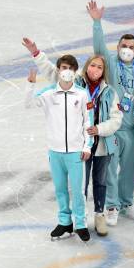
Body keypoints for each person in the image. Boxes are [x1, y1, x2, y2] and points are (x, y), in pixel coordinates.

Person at [21, 39, 122, 236]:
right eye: (92, 65)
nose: (95, 69)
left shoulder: (105, 92)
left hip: (98, 143)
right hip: (62, 148)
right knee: (72, 188)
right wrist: (36, 55)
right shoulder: (69, 85)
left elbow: (115, 119)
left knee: (99, 182)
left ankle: (96, 217)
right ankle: (69, 221)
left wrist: (97, 130)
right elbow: (51, 71)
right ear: (84, 68)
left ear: (104, 71)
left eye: (99, 67)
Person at [86, 0, 134, 225]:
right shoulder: (110, 64)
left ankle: (125, 201)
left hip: (132, 129)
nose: (127, 49)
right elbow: (99, 48)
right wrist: (97, 22)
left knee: (130, 170)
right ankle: (111, 205)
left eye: (131, 46)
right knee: (110, 169)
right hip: (112, 129)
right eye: (124, 45)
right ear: (118, 46)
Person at [24, 56, 92, 242]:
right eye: (64, 67)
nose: (67, 71)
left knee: (77, 191)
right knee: (60, 189)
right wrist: (30, 85)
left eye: (71, 68)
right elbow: (28, 104)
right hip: (55, 152)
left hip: (76, 152)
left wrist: (87, 146)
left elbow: (89, 122)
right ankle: (64, 222)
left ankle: (81, 224)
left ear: (75, 71)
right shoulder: (48, 94)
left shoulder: (82, 94)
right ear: (59, 69)